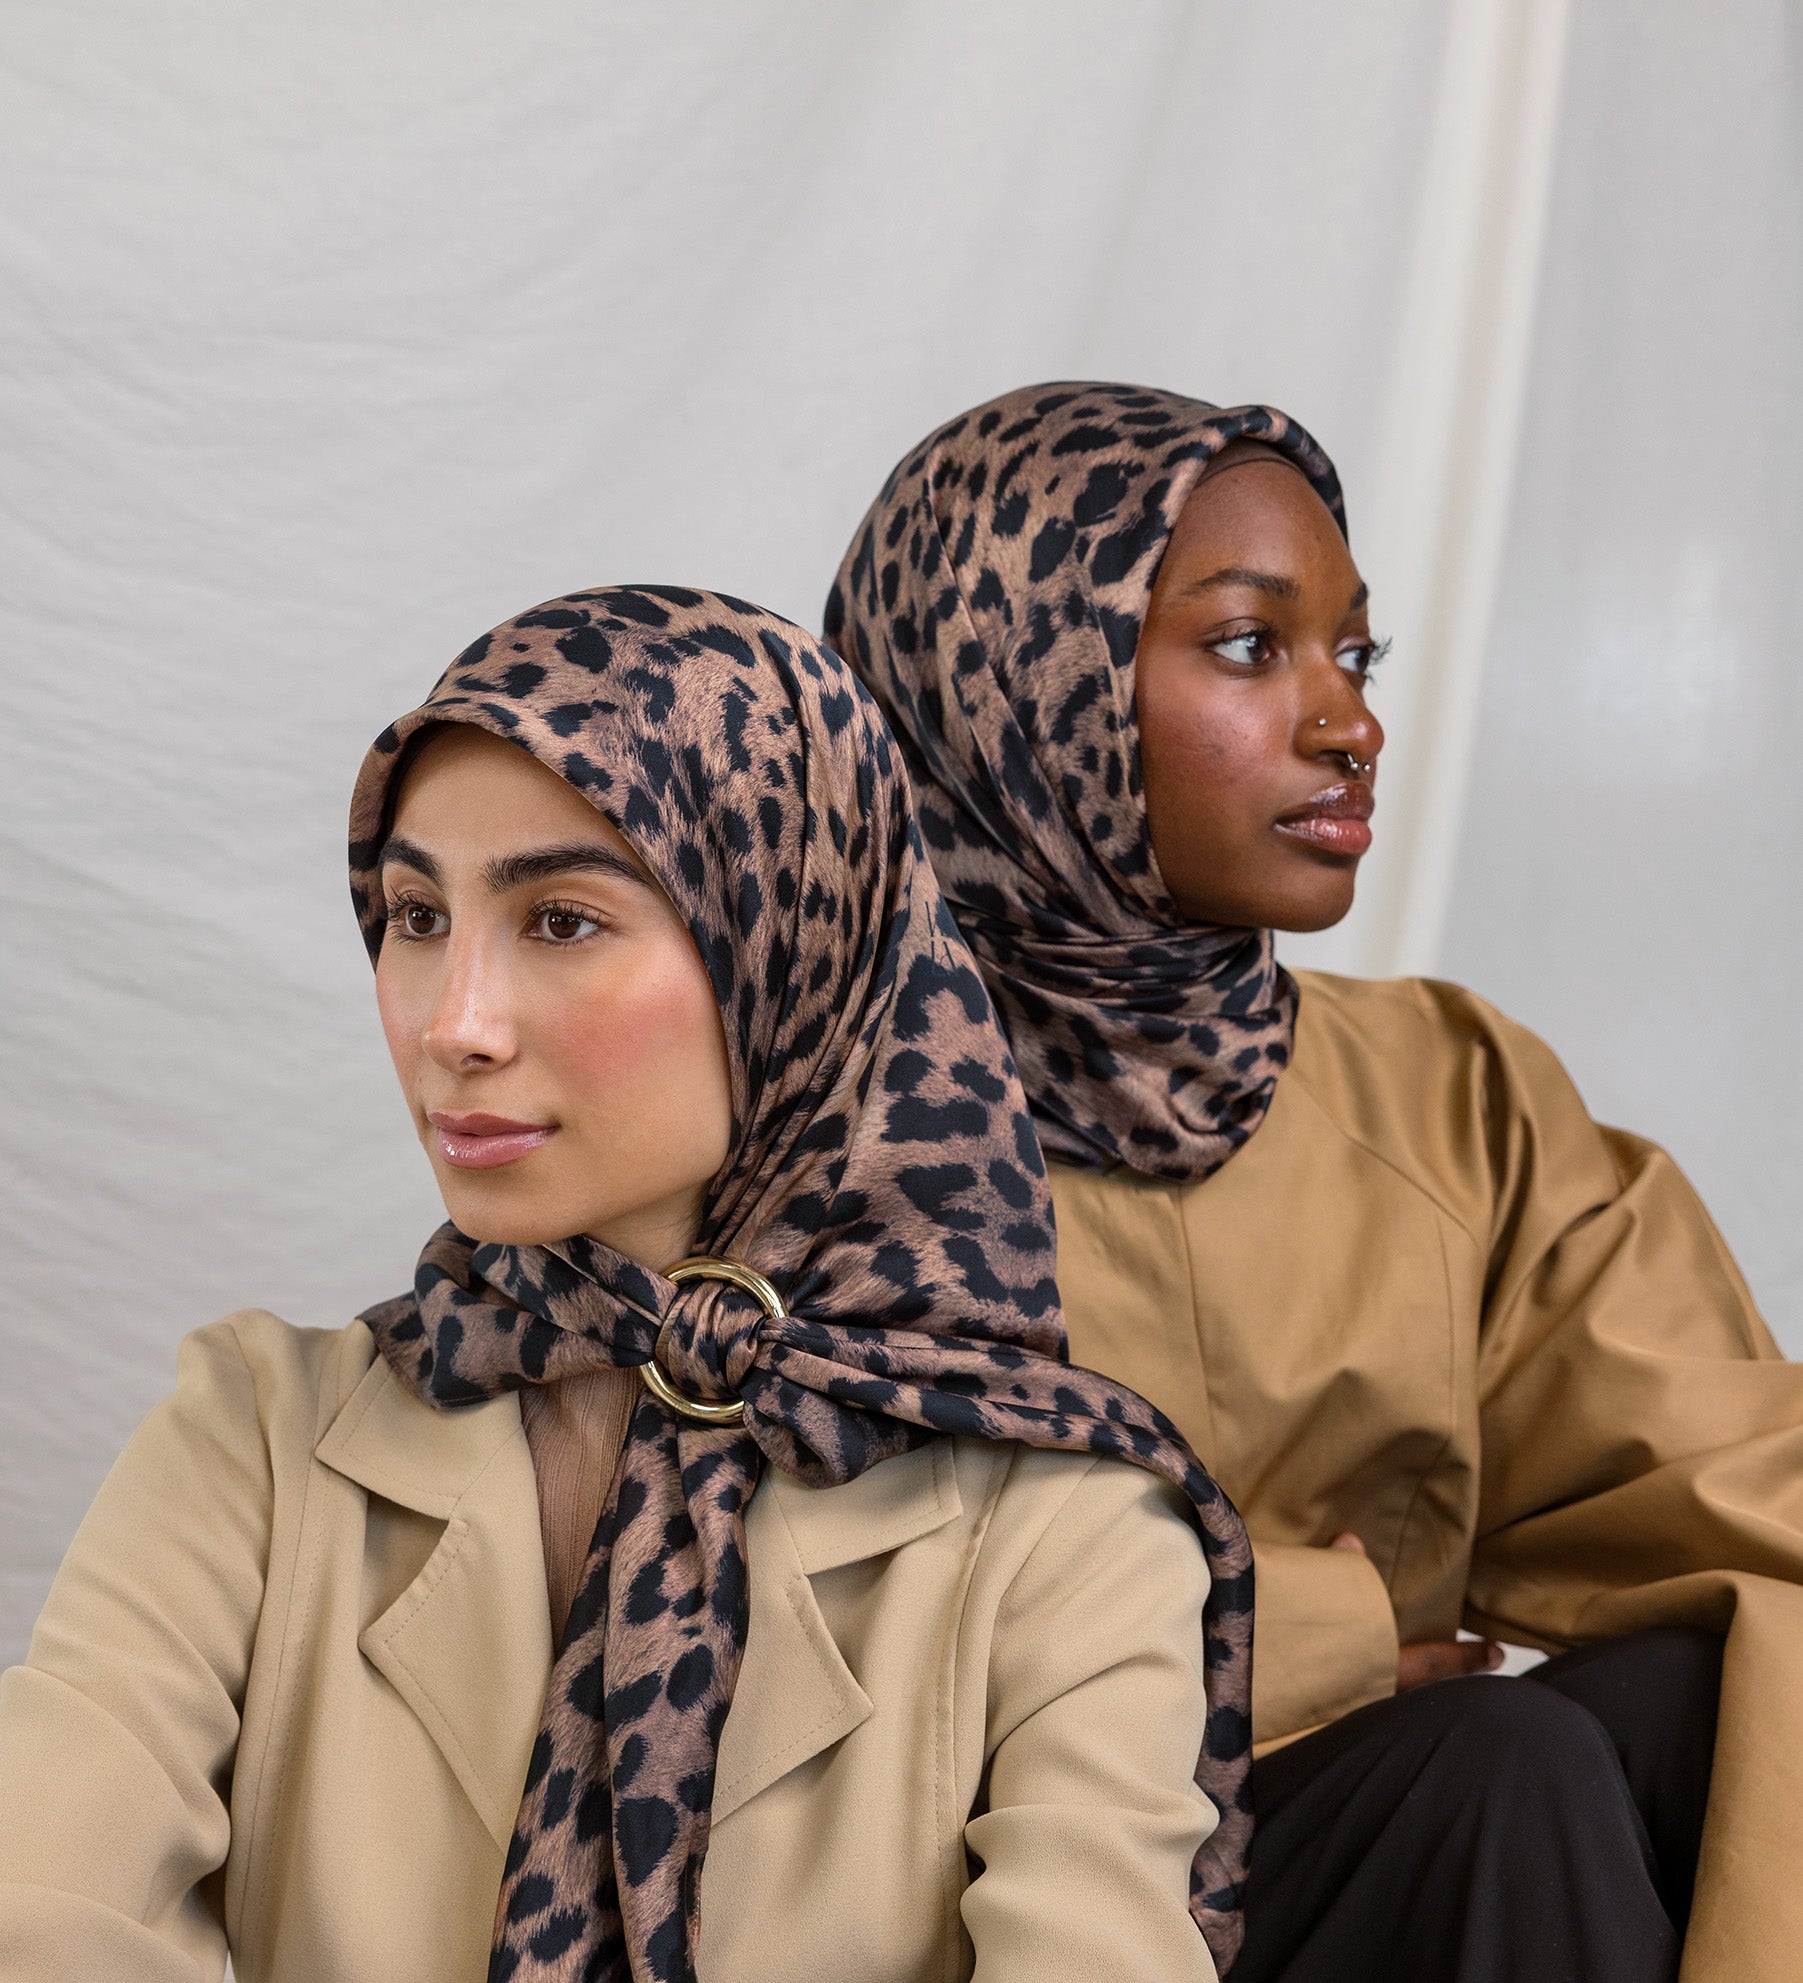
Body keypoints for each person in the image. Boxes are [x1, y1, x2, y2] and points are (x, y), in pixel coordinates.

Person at [0, 586, 1258, 1982]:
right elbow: (44, 1918)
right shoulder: (251, 1435)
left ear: (787, 936)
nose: (453, 1023)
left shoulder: (1067, 1533)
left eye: (561, 921)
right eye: (417, 915)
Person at [826, 382, 1803, 1983]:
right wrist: (1332, 1650)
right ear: (1014, 688)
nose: (1349, 722)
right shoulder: (814, 1121)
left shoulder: (1443, 1093)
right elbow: (838, 1629)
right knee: (1500, 1769)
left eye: (1354, 652)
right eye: (1243, 645)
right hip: (989, 1898)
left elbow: (1736, 1474)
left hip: (1410, 1864)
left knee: (1727, 1691)